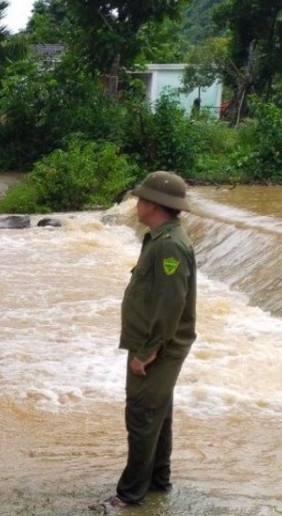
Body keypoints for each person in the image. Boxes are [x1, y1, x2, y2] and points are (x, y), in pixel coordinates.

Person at [98, 171, 197, 510]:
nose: (137, 204)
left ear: (155, 204)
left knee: (141, 416)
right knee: (158, 414)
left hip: (158, 348)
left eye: (141, 198)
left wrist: (147, 350)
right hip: (157, 344)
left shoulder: (169, 245)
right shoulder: (160, 238)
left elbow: (170, 304)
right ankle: (158, 481)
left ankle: (129, 496)